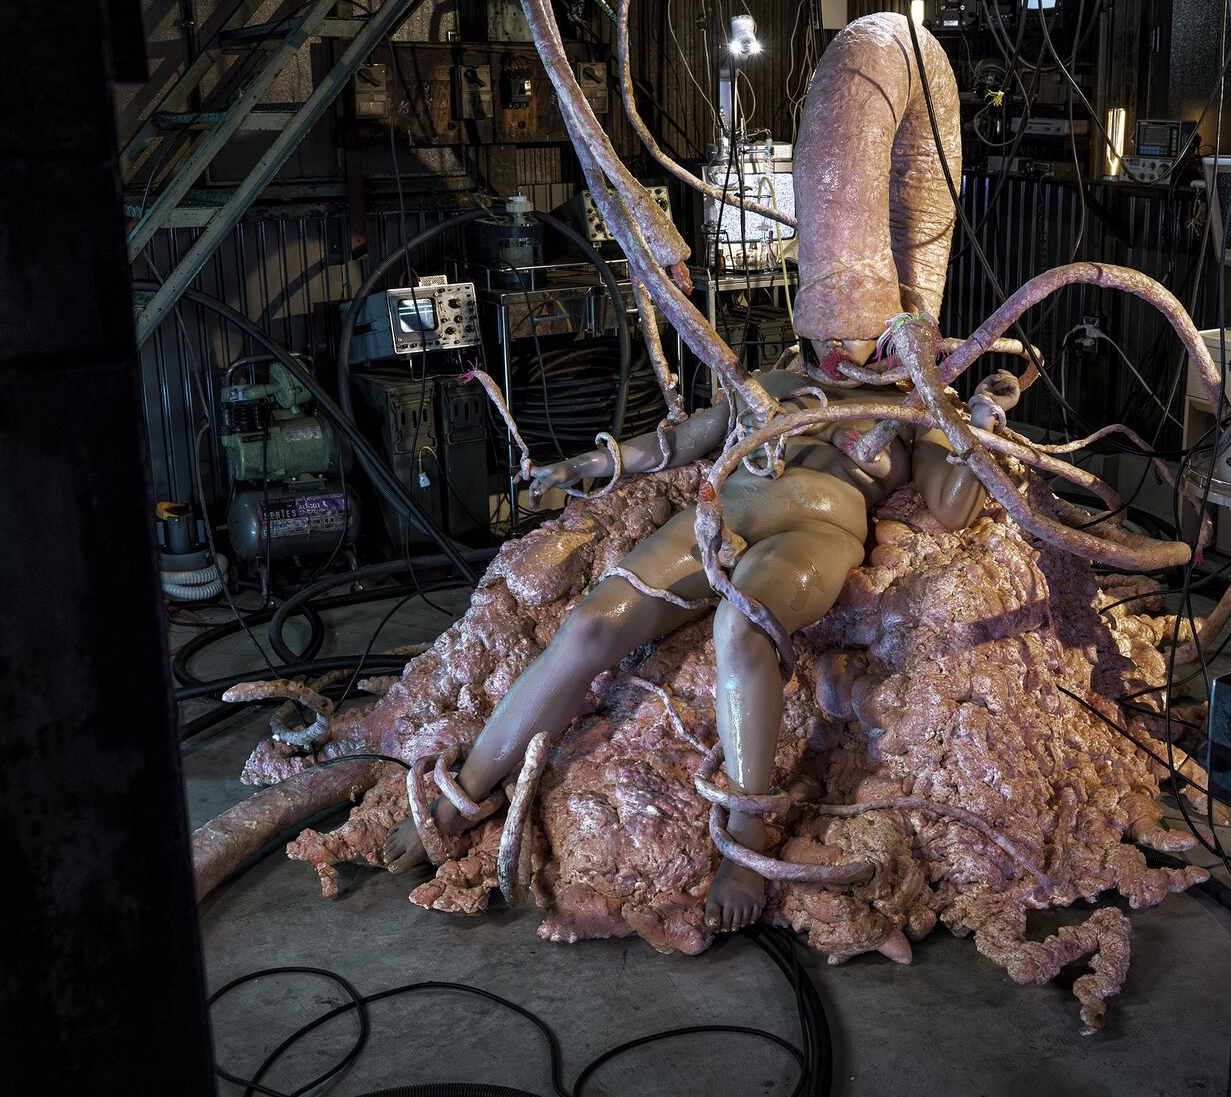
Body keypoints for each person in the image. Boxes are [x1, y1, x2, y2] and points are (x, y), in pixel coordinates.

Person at [385, 335, 993, 931]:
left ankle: (745, 842)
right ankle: (463, 795)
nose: (840, 341)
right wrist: (592, 463)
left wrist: (977, 418)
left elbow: (953, 506)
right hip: (721, 516)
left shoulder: (914, 407)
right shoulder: (776, 383)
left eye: (859, 328)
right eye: (829, 322)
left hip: (815, 534)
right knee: (592, 625)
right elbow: (677, 443)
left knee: (743, 626)